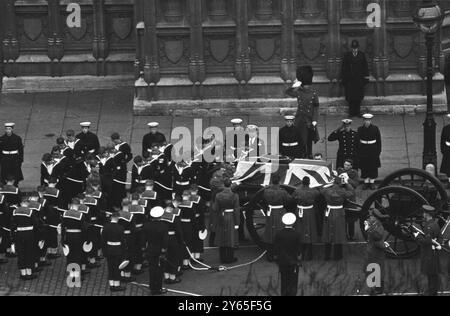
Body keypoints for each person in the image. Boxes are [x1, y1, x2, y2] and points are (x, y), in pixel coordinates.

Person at [285, 66, 320, 159]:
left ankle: (309, 153)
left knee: (309, 138)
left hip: (309, 119)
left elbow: (316, 108)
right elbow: (288, 92)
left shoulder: (314, 93)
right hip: (300, 119)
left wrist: (315, 120)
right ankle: (302, 153)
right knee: (300, 138)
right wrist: (295, 85)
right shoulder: (298, 91)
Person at [320, 176, 355, 260]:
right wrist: (346, 183)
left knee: (328, 233)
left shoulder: (327, 191)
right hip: (339, 213)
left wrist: (329, 184)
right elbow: (351, 192)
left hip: (329, 212)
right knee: (338, 234)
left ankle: (327, 256)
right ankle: (337, 256)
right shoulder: (342, 191)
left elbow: (321, 189)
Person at [415, 205, 442, 296]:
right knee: (433, 276)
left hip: (429, 255)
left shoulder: (429, 226)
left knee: (431, 276)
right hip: (433, 253)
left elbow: (426, 241)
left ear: (427, 214)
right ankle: (433, 293)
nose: (423, 214)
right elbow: (440, 238)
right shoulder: (435, 224)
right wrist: (437, 245)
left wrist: (417, 236)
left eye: (424, 213)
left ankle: (431, 293)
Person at [142, 206, 169, 296]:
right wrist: (164, 250)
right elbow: (165, 241)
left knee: (151, 269)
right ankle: (158, 288)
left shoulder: (146, 225)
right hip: (159, 250)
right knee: (159, 270)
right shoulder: (164, 226)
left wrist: (144, 249)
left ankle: (152, 287)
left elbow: (144, 239)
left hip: (150, 249)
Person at [262, 174, 290, 261]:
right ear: (279, 181)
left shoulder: (266, 191)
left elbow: (265, 199)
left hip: (271, 213)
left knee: (270, 233)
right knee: (280, 232)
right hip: (280, 212)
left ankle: (270, 255)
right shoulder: (283, 191)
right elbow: (288, 200)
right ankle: (280, 255)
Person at [292, 176, 320, 261]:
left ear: (302, 182)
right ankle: (309, 254)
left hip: (299, 211)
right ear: (309, 183)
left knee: (299, 229)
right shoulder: (313, 191)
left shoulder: (297, 191)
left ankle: (300, 252)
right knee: (309, 230)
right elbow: (318, 194)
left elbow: (293, 197)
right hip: (309, 212)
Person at [10, 198, 39, 280]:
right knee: (29, 252)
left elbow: (13, 225)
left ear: (21, 203)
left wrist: (12, 237)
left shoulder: (15, 211)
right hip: (29, 234)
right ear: (27, 203)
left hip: (19, 234)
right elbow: (35, 223)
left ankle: (23, 273)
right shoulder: (30, 211)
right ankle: (29, 273)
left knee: (21, 253)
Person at [274, 213, 302, 296]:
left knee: (284, 280)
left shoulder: (279, 234)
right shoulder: (297, 234)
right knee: (293, 280)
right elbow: (299, 250)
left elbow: (276, 249)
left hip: (282, 261)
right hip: (293, 261)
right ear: (293, 223)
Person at [214, 178, 240, 264]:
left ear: (224, 184)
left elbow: (216, 208)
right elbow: (236, 210)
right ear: (230, 184)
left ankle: (222, 258)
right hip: (231, 217)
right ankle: (229, 258)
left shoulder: (218, 195)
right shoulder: (234, 195)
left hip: (222, 215)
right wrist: (237, 222)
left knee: (222, 237)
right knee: (230, 237)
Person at [341, 40, 369, 117]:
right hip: (350, 80)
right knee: (350, 97)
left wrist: (366, 78)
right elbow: (344, 67)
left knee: (358, 97)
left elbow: (365, 67)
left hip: (359, 79)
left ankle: (357, 112)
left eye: (356, 48)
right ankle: (351, 113)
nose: (354, 49)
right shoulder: (347, 55)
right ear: (351, 48)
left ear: (358, 48)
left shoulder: (361, 55)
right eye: (353, 48)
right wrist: (344, 79)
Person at [364, 211, 389, 295]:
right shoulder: (375, 225)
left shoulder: (378, 226)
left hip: (376, 254)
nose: (369, 218)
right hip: (373, 254)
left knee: (377, 272)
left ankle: (377, 290)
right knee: (373, 271)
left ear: (375, 218)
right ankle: (375, 289)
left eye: (371, 217)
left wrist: (368, 229)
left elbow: (377, 237)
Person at [102, 211, 126, 292]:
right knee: (116, 268)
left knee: (110, 267)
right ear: (117, 218)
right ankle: (116, 285)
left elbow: (103, 241)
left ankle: (111, 285)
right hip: (117, 250)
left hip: (109, 249)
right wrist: (123, 252)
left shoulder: (105, 227)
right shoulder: (120, 228)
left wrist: (104, 251)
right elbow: (123, 242)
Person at [358, 114, 382, 190]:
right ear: (363, 120)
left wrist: (378, 151)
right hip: (363, 149)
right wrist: (358, 151)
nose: (367, 122)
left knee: (373, 166)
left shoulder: (375, 128)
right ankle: (366, 181)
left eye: (368, 120)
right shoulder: (360, 129)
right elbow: (357, 140)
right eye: (366, 120)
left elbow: (379, 141)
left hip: (373, 149)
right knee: (364, 166)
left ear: (371, 121)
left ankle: (372, 182)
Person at [338, 159, 360, 240]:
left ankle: (351, 235)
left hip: (351, 197)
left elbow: (355, 184)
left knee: (351, 218)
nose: (346, 166)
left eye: (348, 165)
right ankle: (344, 234)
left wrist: (348, 179)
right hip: (342, 196)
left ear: (351, 166)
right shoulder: (340, 171)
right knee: (343, 218)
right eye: (345, 164)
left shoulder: (354, 173)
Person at [440, 114, 450, 188]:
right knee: (448, 168)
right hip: (448, 150)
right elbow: (442, 140)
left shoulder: (446, 128)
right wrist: (443, 150)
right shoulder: (446, 128)